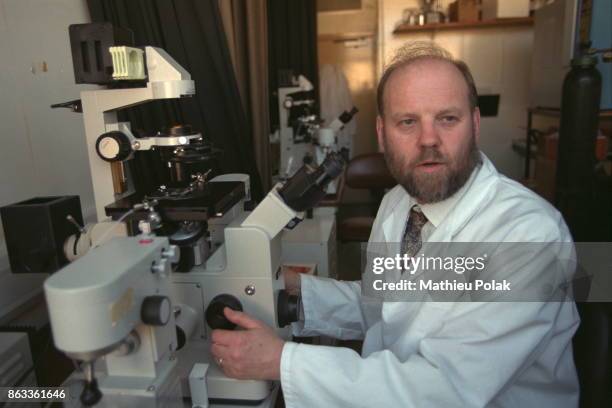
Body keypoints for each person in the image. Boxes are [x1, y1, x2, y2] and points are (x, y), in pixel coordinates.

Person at [210, 42, 580, 407]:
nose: (429, 139)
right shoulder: (398, 203)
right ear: (382, 132)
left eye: (447, 118)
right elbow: (382, 304)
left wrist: (282, 361)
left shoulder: (528, 235)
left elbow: (444, 389)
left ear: (476, 124)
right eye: (408, 122)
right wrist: (294, 290)